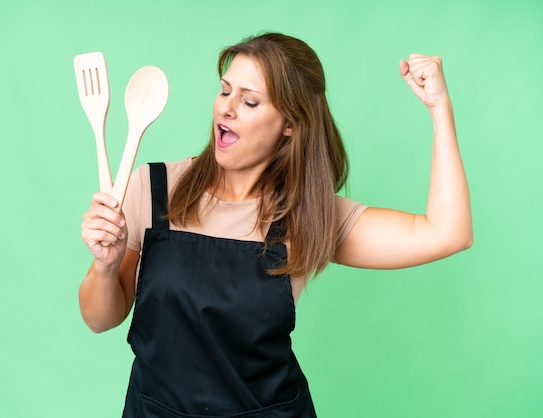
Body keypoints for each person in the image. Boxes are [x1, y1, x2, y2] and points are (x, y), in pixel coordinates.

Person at [79, 32, 472, 417]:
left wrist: (440, 110)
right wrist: (106, 265)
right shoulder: (154, 187)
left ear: (289, 124)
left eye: (249, 101)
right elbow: (99, 319)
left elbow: (448, 233)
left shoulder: (309, 215)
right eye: (225, 90)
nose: (226, 109)